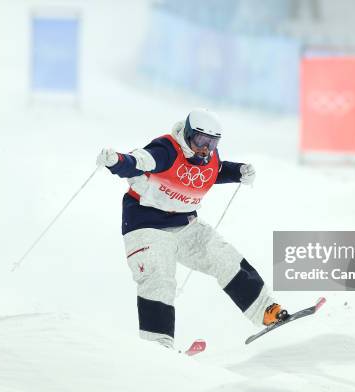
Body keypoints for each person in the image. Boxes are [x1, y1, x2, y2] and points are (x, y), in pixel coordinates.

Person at [96, 108, 288, 348]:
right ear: (187, 134)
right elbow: (137, 162)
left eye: (212, 142)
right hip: (145, 226)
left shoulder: (209, 157)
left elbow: (215, 171)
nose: (205, 148)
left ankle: (266, 311)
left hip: (184, 225)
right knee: (159, 277)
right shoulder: (165, 151)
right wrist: (116, 161)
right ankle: (157, 345)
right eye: (200, 140)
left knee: (223, 256)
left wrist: (238, 171)